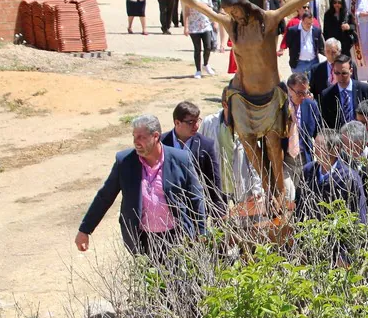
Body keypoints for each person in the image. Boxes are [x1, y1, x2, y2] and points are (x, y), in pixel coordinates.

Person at [156, 0, 348, 209]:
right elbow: (199, 6)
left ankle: (278, 190)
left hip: (268, 96)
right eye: (230, 13)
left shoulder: (267, 20)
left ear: (244, 5)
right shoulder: (231, 26)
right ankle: (267, 186)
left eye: (236, 11)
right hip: (242, 95)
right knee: (247, 143)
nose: (234, 16)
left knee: (271, 144)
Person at [75, 115, 206, 257]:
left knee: (178, 279)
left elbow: (196, 197)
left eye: (141, 137)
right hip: (142, 239)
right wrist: (85, 230)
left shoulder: (181, 159)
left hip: (177, 238)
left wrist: (201, 231)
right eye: (134, 136)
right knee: (147, 278)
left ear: (155, 136)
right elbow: (104, 197)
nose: (135, 142)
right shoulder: (125, 162)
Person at [199, 92, 264, 214]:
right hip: (217, 186)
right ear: (225, 104)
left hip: (242, 185)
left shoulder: (249, 126)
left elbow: (255, 159)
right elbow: (199, 153)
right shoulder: (209, 123)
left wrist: (257, 187)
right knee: (218, 224)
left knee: (245, 226)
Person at [161, 101, 223, 218]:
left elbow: (213, 179)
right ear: (177, 122)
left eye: (197, 121)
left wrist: (217, 209)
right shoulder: (161, 143)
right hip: (166, 208)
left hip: (195, 208)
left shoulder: (206, 145)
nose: (196, 126)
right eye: (191, 122)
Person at [299, 128, 368, 225]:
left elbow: (359, 216)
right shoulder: (308, 171)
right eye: (315, 147)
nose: (315, 152)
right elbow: (299, 205)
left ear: (336, 149)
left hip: (340, 234)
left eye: (320, 147)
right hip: (313, 234)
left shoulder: (349, 178)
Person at [320, 54, 368, 129]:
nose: (340, 77)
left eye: (344, 73)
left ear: (351, 71)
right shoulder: (327, 94)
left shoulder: (365, 89)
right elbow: (326, 122)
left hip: (363, 134)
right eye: (337, 73)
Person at [287, 72, 321, 167]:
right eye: (299, 93)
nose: (302, 97)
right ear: (290, 90)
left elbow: (318, 132)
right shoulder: (280, 107)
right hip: (285, 160)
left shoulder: (311, 105)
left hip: (305, 158)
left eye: (305, 93)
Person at [183, 0, 216, 78]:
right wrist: (186, 27)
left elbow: (210, 8)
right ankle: (198, 70)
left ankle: (206, 64)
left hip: (205, 24)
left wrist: (214, 21)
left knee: (208, 46)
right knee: (197, 49)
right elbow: (186, 12)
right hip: (194, 26)